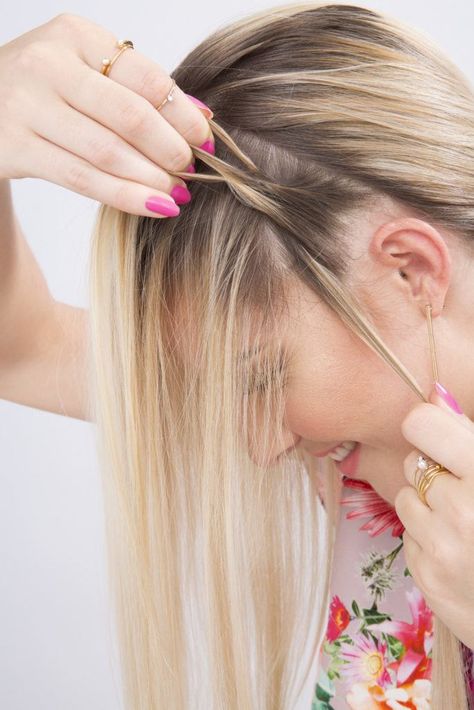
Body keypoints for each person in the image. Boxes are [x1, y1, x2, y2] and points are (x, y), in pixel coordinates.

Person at [1, 4, 474, 708]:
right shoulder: (371, 465)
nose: (253, 444)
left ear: (411, 270)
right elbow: (21, 346)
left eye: (260, 374)